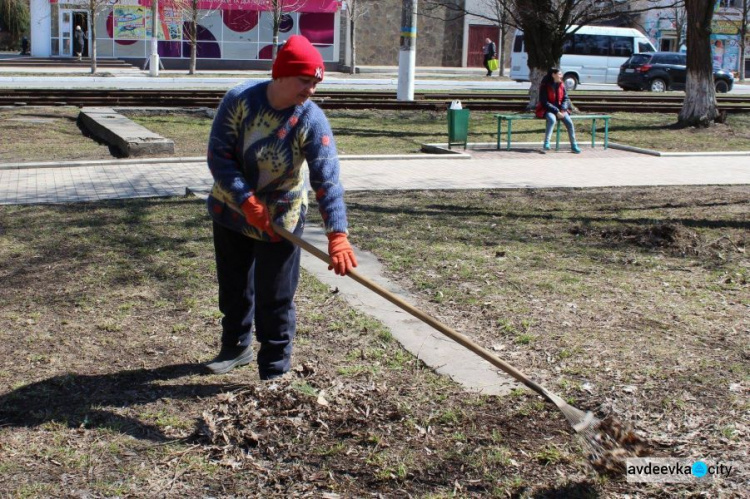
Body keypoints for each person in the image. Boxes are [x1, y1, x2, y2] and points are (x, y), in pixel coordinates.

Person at [204, 35, 358, 379]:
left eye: (316, 83)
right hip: (231, 209)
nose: (311, 90)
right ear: (281, 75)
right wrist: (246, 199)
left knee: (275, 296)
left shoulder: (310, 119)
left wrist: (338, 235)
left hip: (280, 221)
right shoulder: (240, 100)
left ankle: (274, 369)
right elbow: (219, 156)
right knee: (233, 286)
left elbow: (327, 180)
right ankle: (236, 346)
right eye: (305, 81)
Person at [535, 67, 581, 154]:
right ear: (553, 75)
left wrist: (563, 109)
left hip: (561, 110)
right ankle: (546, 143)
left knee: (569, 123)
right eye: (559, 74)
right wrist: (556, 111)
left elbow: (565, 98)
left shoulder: (561, 84)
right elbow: (544, 102)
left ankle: (574, 145)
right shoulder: (545, 85)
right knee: (552, 120)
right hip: (548, 109)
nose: (562, 76)